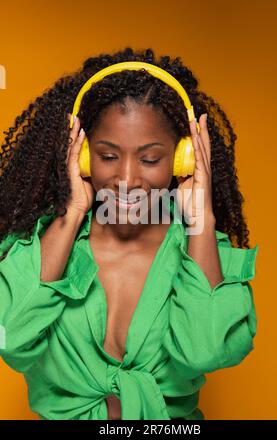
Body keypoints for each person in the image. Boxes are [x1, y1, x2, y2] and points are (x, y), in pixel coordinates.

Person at [0, 47, 259, 420]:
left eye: (150, 159)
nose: (126, 180)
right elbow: (10, 335)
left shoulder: (199, 249)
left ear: (183, 156)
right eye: (107, 156)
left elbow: (207, 350)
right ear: (83, 155)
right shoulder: (45, 246)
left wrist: (200, 216)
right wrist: (72, 212)